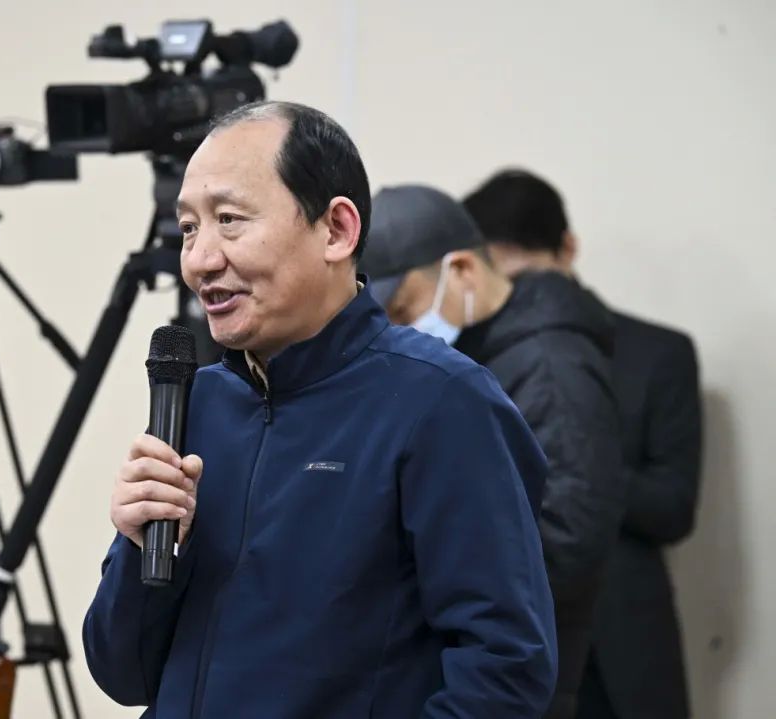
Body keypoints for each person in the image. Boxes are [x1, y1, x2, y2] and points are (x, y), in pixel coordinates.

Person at [83, 102, 559, 718]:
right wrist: (138, 546)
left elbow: (505, 670)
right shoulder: (199, 403)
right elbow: (124, 675)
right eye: (189, 228)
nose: (199, 260)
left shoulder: (443, 401)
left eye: (229, 220)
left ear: (336, 230)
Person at [361, 184, 626, 719]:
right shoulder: (485, 351)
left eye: (406, 308)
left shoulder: (549, 365)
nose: (400, 330)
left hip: (512, 679)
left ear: (461, 269)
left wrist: (422, 572)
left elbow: (569, 539)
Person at [463, 169, 703, 719]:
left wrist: (580, 464)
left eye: (528, 274)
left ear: (568, 248)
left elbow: (674, 507)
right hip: (521, 640)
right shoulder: (473, 356)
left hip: (625, 640)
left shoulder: (659, 353)